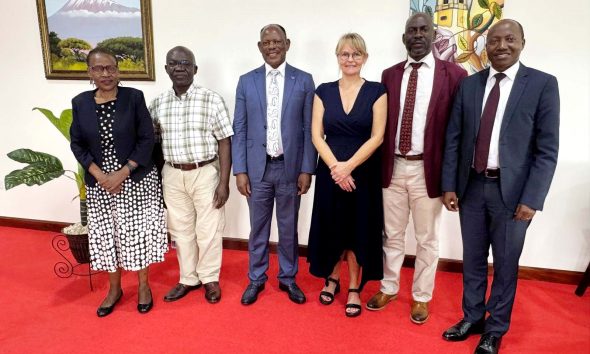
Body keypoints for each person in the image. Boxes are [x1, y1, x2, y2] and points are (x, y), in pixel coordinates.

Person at [441, 19, 559, 354]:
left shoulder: (542, 85)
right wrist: (450, 184)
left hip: (513, 195)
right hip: (472, 187)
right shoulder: (470, 85)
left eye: (510, 39)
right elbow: (454, 138)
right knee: (473, 259)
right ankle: (473, 317)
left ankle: (495, 329)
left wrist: (532, 198)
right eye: (494, 40)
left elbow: (547, 149)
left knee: (506, 264)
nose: (502, 46)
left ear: (523, 42)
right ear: (485, 45)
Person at [365, 13, 467, 324]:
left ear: (434, 34)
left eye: (424, 30)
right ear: (404, 38)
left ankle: (422, 296)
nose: (418, 35)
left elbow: (457, 132)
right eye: (412, 30)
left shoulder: (455, 75)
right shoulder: (389, 75)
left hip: (429, 170)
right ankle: (389, 286)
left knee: (427, 239)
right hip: (393, 167)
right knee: (391, 234)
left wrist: (451, 181)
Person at [70, 48, 168, 317]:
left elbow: (147, 138)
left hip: (136, 180)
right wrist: (101, 176)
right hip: (101, 186)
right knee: (107, 236)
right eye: (99, 69)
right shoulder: (80, 103)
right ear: (90, 72)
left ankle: (144, 286)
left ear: (118, 70)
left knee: (138, 234)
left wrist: (123, 172)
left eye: (111, 68)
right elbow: (77, 144)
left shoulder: (133, 98)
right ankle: (114, 289)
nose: (106, 74)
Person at [232, 24, 316, 305]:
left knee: (288, 226)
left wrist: (307, 168)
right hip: (258, 169)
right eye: (266, 42)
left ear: (287, 44)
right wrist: (240, 170)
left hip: (290, 168)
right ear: (259, 47)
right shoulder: (246, 81)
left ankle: (288, 278)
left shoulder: (304, 81)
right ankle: (256, 278)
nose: (272, 47)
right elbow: (240, 129)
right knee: (258, 227)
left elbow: (308, 128)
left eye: (277, 41)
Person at [307, 33, 387, 317]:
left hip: (363, 172)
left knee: (357, 229)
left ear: (365, 58)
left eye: (356, 54)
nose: (350, 59)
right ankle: (332, 279)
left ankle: (354, 286)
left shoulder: (378, 91)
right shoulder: (323, 90)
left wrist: (348, 166)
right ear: (337, 57)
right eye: (345, 54)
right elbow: (317, 135)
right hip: (330, 171)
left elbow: (377, 137)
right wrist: (336, 169)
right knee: (332, 226)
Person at [149, 46, 233, 304]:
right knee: (180, 230)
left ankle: (209, 278)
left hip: (205, 172)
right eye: (173, 63)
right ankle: (188, 278)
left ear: (195, 69)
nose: (179, 68)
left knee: (208, 229)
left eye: (186, 63)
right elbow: (152, 143)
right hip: (172, 173)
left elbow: (225, 141)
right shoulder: (157, 104)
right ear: (166, 69)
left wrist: (223, 182)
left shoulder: (212, 99)